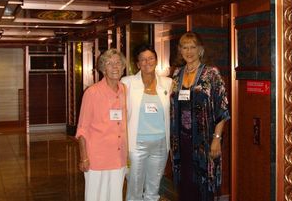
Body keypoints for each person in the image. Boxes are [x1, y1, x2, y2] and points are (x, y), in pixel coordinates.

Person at [170, 31, 230, 201]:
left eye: (193, 47)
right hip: (181, 140)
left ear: (200, 50)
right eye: (185, 47)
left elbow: (222, 108)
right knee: (185, 184)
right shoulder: (177, 74)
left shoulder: (211, 73)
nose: (189, 51)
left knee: (203, 184)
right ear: (180, 50)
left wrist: (217, 138)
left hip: (205, 140)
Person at [121, 45, 172, 201]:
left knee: (153, 189)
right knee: (134, 189)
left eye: (150, 58)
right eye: (142, 59)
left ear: (156, 61)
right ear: (137, 64)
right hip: (136, 144)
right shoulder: (126, 83)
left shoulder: (168, 83)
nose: (147, 62)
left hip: (161, 143)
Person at [76, 49, 127, 201]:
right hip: (97, 157)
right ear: (103, 68)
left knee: (115, 197)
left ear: (123, 67)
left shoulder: (125, 90)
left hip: (119, 157)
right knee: (95, 197)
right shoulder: (92, 92)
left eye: (118, 63)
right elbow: (82, 128)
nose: (115, 67)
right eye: (109, 63)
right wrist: (84, 157)